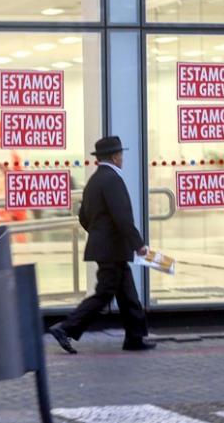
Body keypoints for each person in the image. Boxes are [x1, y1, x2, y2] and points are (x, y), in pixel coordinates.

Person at [48, 136, 156, 354]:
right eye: (121, 155)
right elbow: (122, 217)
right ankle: (65, 328)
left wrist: (98, 234)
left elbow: (83, 216)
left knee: (127, 292)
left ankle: (134, 337)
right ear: (116, 157)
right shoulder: (113, 180)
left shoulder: (94, 180)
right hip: (112, 248)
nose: (122, 159)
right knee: (105, 292)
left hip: (108, 248)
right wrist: (138, 244)